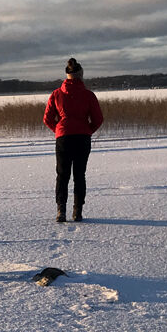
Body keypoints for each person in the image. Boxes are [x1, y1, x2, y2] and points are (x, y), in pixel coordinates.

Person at [43, 58, 104, 222]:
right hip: (82, 138)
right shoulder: (88, 95)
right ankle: (77, 211)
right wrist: (87, 130)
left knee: (62, 175)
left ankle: (60, 211)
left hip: (63, 138)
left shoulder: (56, 94)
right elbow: (98, 119)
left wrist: (59, 130)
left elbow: (47, 119)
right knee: (79, 175)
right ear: (81, 76)